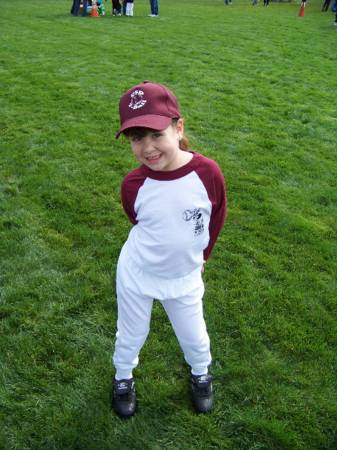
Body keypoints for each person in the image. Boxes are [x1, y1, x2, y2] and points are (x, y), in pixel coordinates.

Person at [111, 81, 227, 418]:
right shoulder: (134, 184)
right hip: (138, 273)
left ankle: (201, 374)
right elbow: (137, 219)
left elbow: (215, 218)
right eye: (136, 138)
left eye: (156, 134)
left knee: (195, 336)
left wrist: (201, 258)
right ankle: (122, 378)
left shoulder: (207, 174)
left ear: (178, 128)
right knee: (131, 333)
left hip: (184, 276)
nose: (147, 147)